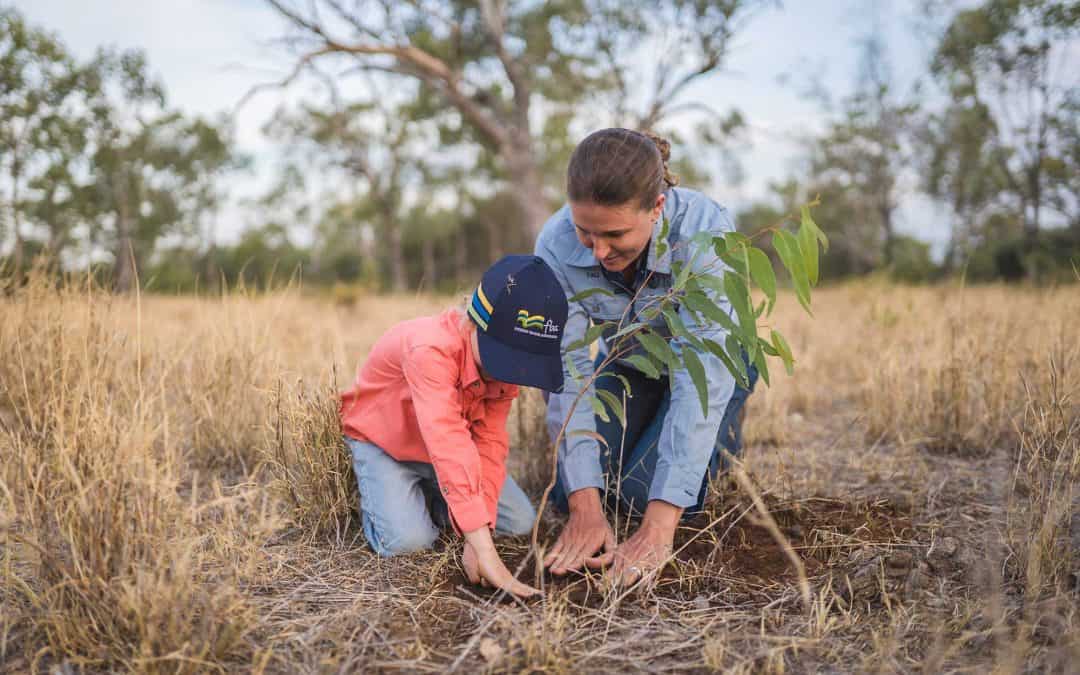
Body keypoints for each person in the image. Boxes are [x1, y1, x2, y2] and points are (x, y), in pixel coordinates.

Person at [534, 128, 759, 586]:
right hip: (632, 363)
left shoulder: (705, 231)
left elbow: (703, 375)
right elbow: (567, 371)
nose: (598, 251)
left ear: (656, 208)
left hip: (711, 367)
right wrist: (584, 506)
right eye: (585, 231)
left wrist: (657, 528)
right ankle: (648, 435)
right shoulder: (555, 244)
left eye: (615, 234)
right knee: (570, 489)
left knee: (643, 495)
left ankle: (723, 439)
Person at [340, 255, 568, 598]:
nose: (510, 374)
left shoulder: (505, 373)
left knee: (517, 521)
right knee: (410, 542)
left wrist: (478, 536)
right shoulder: (429, 349)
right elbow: (448, 441)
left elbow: (489, 444)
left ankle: (440, 501)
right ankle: (391, 498)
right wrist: (486, 552)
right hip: (386, 444)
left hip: (447, 454)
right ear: (475, 323)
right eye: (506, 359)